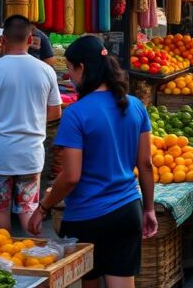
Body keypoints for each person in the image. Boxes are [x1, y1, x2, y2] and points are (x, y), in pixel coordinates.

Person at [27, 36, 158, 287]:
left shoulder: (76, 113)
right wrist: (149, 209)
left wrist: (43, 207)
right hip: (128, 209)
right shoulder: (135, 106)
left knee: (90, 282)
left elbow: (71, 176)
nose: (70, 77)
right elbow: (146, 165)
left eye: (71, 70)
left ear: (82, 68)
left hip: (87, 216)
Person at [0, 15, 62, 232]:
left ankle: (4, 261)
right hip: (30, 153)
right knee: (29, 208)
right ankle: (34, 259)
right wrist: (33, 122)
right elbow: (55, 111)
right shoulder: (46, 70)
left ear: (3, 38)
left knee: (0, 211)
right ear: (31, 39)